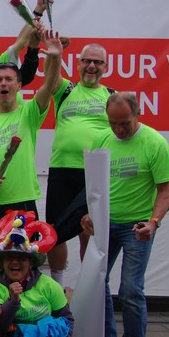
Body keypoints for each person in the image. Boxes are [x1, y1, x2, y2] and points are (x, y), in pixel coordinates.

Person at [81, 92, 169, 337]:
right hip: (105, 222)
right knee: (97, 283)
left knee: (131, 289)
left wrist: (153, 222)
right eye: (113, 123)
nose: (119, 130)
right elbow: (94, 186)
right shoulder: (101, 140)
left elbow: (165, 191)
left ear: (137, 114)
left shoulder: (155, 143)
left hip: (137, 226)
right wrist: (89, 214)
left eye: (125, 123)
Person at [0, 31, 63, 273]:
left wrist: (56, 57)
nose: (4, 84)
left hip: (21, 200)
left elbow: (49, 85)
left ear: (18, 85)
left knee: (22, 265)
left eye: (9, 79)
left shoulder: (29, 113)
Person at [44, 43, 114, 284]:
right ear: (78, 64)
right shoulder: (65, 90)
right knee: (54, 231)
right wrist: (55, 54)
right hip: (62, 168)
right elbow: (50, 73)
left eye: (97, 62)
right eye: (87, 61)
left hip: (93, 172)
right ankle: (57, 287)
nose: (91, 66)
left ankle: (88, 287)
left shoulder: (111, 96)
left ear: (105, 67)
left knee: (88, 230)